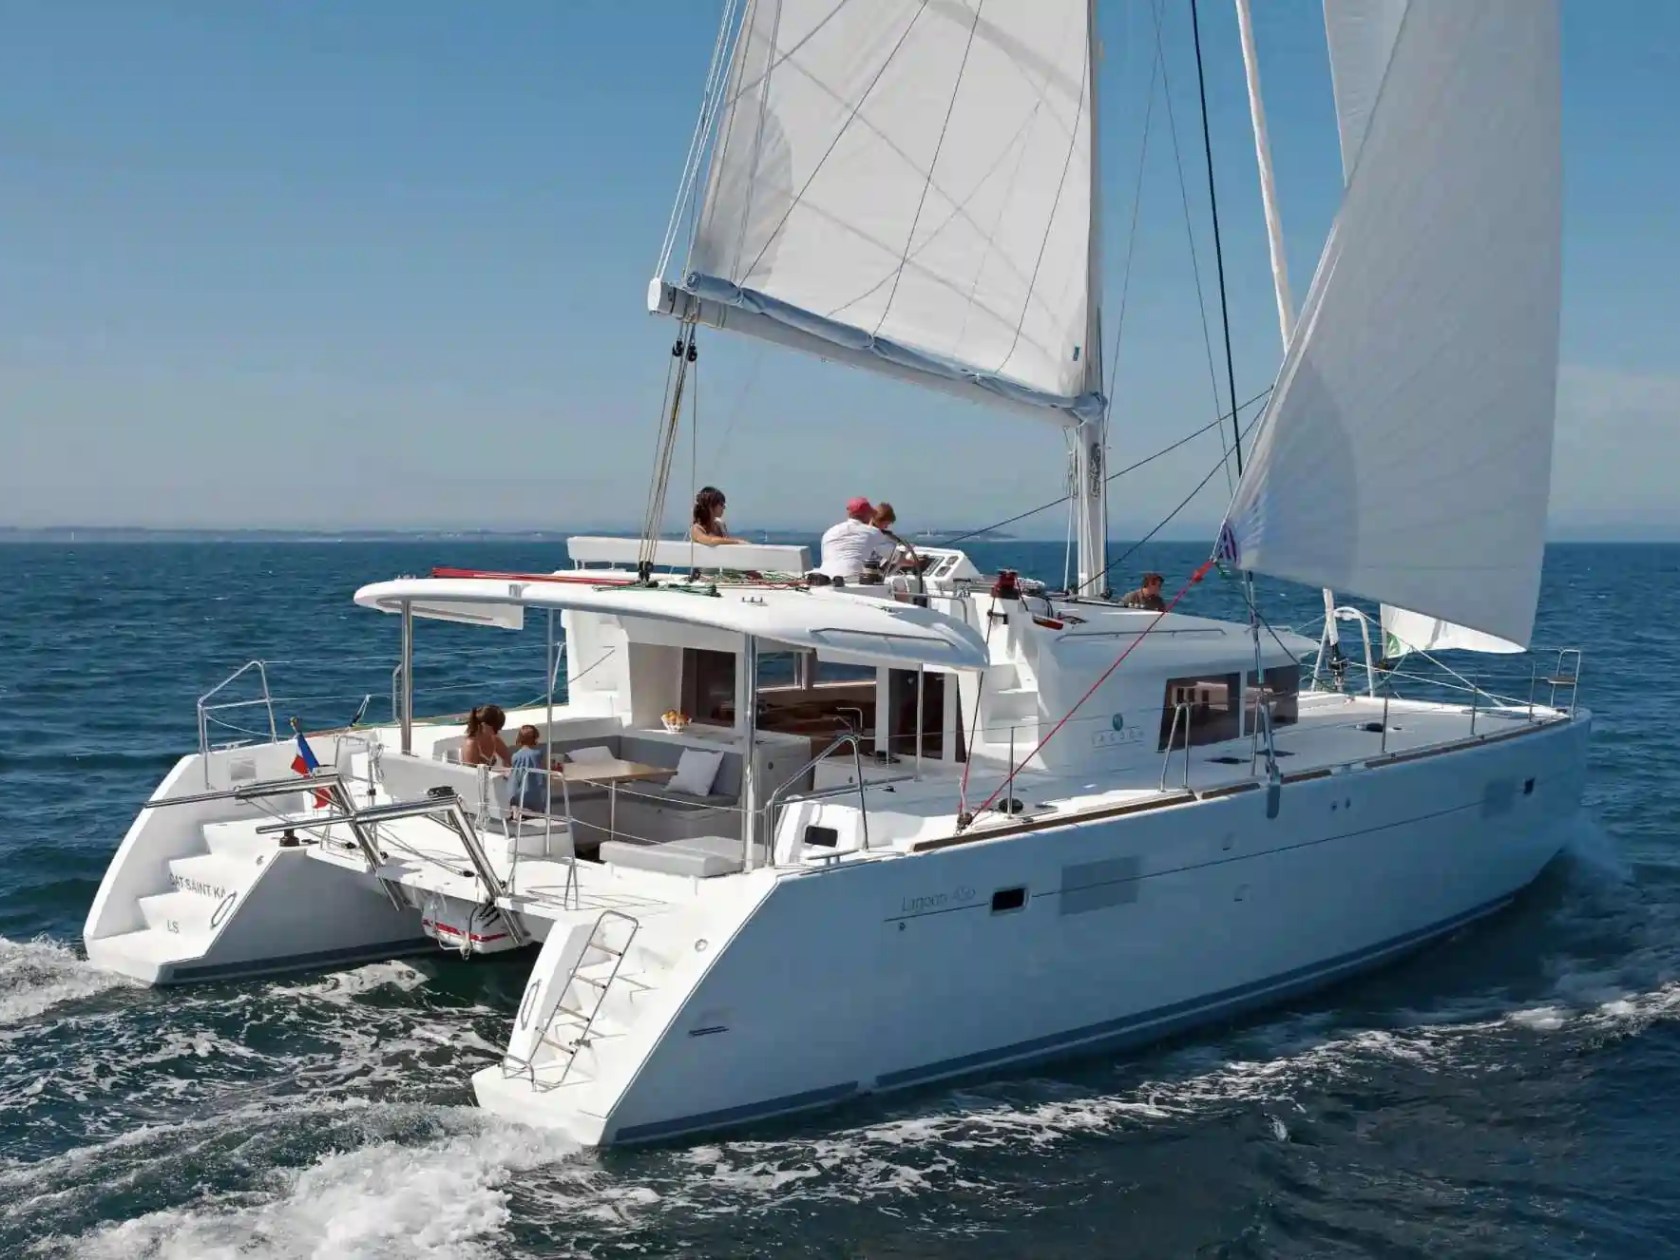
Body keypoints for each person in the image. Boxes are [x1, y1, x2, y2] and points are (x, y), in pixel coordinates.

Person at [818, 496, 896, 581]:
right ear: (867, 514)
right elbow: (895, 556)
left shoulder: (829, 532)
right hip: (853, 581)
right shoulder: (873, 532)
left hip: (824, 580)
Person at [509, 724, 559, 815]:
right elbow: (546, 770)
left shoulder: (515, 756)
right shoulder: (538, 754)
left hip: (519, 794)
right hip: (536, 794)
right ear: (535, 739)